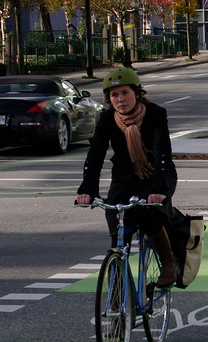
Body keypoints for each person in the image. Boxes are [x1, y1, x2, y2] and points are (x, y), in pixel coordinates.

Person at [76, 67, 179, 288]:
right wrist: (88, 189)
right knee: (115, 220)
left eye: (125, 93)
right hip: (124, 178)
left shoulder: (155, 114)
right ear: (108, 99)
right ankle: (118, 291)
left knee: (148, 214)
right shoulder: (106, 119)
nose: (120, 99)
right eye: (114, 95)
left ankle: (169, 261)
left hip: (156, 176)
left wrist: (159, 190)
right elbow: (95, 155)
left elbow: (162, 152)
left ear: (137, 93)